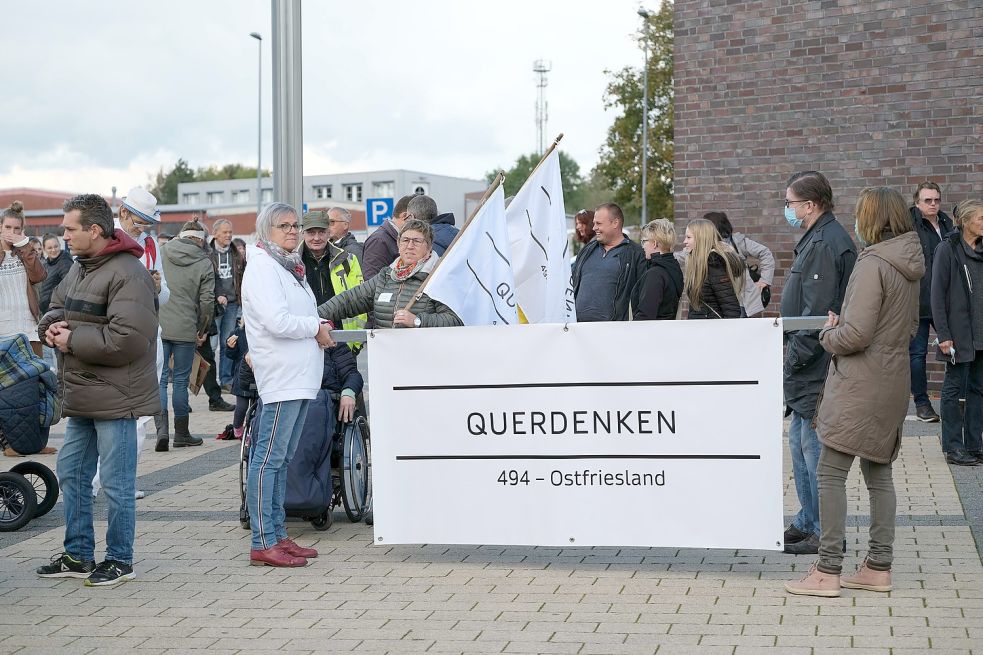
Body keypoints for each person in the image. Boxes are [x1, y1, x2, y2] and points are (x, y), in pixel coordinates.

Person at [785, 187, 923, 598]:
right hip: (894, 378)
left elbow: (857, 334)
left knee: (830, 471)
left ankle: (827, 571)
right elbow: (907, 326)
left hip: (861, 382)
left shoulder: (873, 262)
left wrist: (830, 332)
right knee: (879, 472)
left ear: (873, 219)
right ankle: (878, 567)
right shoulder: (910, 261)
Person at [35, 194, 159, 587]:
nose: (64, 234)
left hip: (116, 397)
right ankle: (78, 554)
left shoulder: (129, 272)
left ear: (95, 230)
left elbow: (128, 339)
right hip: (82, 394)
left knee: (117, 485)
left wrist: (71, 340)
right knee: (71, 473)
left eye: (70, 228)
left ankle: (120, 559)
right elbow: (56, 306)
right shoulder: (79, 267)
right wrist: (51, 327)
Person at [242, 202, 335, 567]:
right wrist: (314, 328)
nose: (294, 231)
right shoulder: (264, 267)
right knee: (268, 460)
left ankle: (278, 533)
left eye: (296, 225)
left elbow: (297, 313)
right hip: (281, 375)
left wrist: (318, 320)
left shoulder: (287, 265)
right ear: (267, 231)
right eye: (285, 226)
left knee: (281, 460)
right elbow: (277, 321)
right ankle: (263, 540)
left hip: (299, 376)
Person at [780, 170, 857, 555]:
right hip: (807, 366)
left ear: (810, 205)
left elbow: (816, 315)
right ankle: (809, 519)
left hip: (814, 366)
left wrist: (794, 359)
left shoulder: (826, 244)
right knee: (798, 442)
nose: (787, 210)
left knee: (813, 448)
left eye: (790, 203)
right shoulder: (817, 238)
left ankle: (826, 533)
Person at [93, 187, 168, 499]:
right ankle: (97, 481)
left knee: (140, 417)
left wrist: (157, 287)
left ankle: (122, 481)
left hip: (150, 334)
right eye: (140, 222)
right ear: (123, 213)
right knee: (112, 414)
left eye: (149, 223)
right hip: (116, 336)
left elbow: (166, 296)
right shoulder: (105, 240)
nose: (143, 229)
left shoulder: (150, 245)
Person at [317, 218, 463, 330]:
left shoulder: (437, 278)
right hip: (387, 360)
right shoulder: (386, 276)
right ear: (398, 244)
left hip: (424, 359)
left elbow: (455, 319)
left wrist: (417, 321)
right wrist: (312, 317)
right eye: (405, 240)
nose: (410, 246)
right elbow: (349, 300)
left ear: (429, 246)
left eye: (417, 241)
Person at [932, 199, 983, 467]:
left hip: (981, 333)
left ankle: (975, 444)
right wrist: (944, 333)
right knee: (953, 390)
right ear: (964, 222)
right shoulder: (948, 249)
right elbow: (937, 295)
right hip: (959, 334)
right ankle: (953, 446)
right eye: (981, 218)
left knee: (979, 390)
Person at [157, 220, 215, 451]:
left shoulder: (161, 252)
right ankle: (181, 434)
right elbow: (207, 302)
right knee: (181, 381)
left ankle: (161, 430)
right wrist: (202, 330)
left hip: (159, 324)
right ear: (200, 240)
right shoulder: (204, 262)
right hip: (185, 327)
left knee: (160, 380)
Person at [909, 182, 954, 423]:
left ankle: (959, 398)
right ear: (917, 202)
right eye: (928, 200)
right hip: (918, 299)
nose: (933, 204)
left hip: (945, 299)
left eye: (936, 199)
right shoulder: (909, 224)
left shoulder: (947, 223)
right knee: (917, 353)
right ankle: (922, 403)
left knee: (958, 346)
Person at [298, 211, 367, 348]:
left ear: (329, 232)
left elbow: (360, 300)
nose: (316, 238)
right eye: (311, 232)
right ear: (303, 233)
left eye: (322, 232)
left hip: (342, 341)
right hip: (305, 340)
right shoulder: (292, 263)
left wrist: (355, 344)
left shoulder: (348, 260)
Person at [572, 203, 648, 322]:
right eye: (594, 223)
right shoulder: (587, 250)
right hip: (577, 331)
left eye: (599, 223)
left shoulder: (635, 254)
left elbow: (643, 297)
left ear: (615, 223)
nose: (594, 228)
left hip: (613, 333)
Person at [702, 211, 775, 317]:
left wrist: (764, 281)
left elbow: (765, 253)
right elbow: (682, 255)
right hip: (717, 302)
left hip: (740, 302)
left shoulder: (737, 242)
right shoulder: (704, 245)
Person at [0, 201, 47, 357]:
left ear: (22, 231)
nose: (11, 232)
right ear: (0, 227)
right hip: (2, 330)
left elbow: (39, 276)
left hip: (28, 326)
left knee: (36, 376)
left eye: (16, 229)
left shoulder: (26, 252)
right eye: (7, 227)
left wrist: (24, 246)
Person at [680, 219, 746, 319]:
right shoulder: (700, 263)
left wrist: (727, 332)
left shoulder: (713, 265)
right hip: (703, 329)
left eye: (689, 237)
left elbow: (731, 307)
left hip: (712, 330)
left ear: (701, 238)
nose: (685, 241)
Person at [208, 219, 244, 388]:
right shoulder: (207, 253)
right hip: (213, 306)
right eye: (225, 232)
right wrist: (216, 295)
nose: (229, 235)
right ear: (215, 234)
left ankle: (226, 380)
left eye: (230, 232)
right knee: (212, 344)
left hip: (232, 304)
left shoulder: (235, 253)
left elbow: (242, 276)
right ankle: (209, 383)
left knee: (227, 343)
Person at [631, 219, 683, 320]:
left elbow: (645, 315)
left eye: (644, 241)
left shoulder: (655, 274)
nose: (643, 246)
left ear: (654, 243)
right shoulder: (673, 268)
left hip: (652, 333)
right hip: (665, 331)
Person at [362, 194, 413, 280]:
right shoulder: (379, 240)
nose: (419, 226)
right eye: (416, 220)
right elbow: (371, 281)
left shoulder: (392, 237)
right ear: (405, 216)